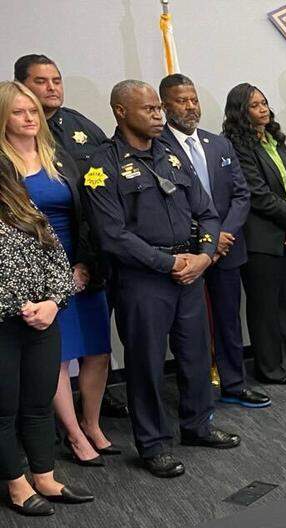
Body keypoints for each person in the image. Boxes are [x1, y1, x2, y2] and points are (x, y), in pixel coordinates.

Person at [82, 80, 240, 478]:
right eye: (149, 109)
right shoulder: (102, 166)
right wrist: (167, 264)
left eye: (158, 108)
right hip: (142, 281)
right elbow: (112, 235)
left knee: (195, 354)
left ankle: (197, 425)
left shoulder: (171, 154)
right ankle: (152, 443)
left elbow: (206, 211)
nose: (158, 115)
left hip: (189, 271)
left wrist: (203, 256)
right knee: (147, 364)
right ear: (120, 111)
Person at [2, 81, 114, 467]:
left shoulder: (58, 156)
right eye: (19, 112)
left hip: (79, 264)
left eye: (33, 111)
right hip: (33, 272)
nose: (30, 118)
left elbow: (86, 214)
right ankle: (74, 433)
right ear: (3, 117)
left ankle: (92, 422)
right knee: (58, 357)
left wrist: (83, 265)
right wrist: (56, 280)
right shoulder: (3, 165)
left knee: (97, 349)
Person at [15, 53, 130, 420]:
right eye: (41, 81)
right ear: (22, 87)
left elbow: (103, 187)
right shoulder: (11, 144)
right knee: (56, 351)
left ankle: (91, 414)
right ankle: (62, 426)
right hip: (38, 259)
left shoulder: (81, 126)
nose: (51, 88)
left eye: (56, 80)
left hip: (89, 253)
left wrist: (90, 259)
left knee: (95, 344)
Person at [158, 74, 267, 409]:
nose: (191, 107)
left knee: (228, 318)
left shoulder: (218, 143)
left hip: (226, 247)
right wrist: (206, 241)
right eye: (181, 100)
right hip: (186, 252)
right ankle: (196, 391)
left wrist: (221, 237)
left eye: (194, 99)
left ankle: (234, 383)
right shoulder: (156, 146)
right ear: (164, 106)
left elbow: (240, 193)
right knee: (187, 327)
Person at [0, 154, 93, 515]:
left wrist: (53, 302)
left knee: (38, 405)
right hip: (6, 325)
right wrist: (17, 305)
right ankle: (17, 485)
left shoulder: (28, 211)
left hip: (43, 321)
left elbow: (58, 264)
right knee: (4, 410)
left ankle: (45, 477)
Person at [223, 83, 286, 386]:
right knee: (264, 306)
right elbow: (256, 193)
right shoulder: (236, 144)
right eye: (254, 105)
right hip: (261, 236)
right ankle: (270, 368)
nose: (263, 109)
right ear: (240, 112)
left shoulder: (274, 137)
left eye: (264, 103)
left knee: (282, 302)